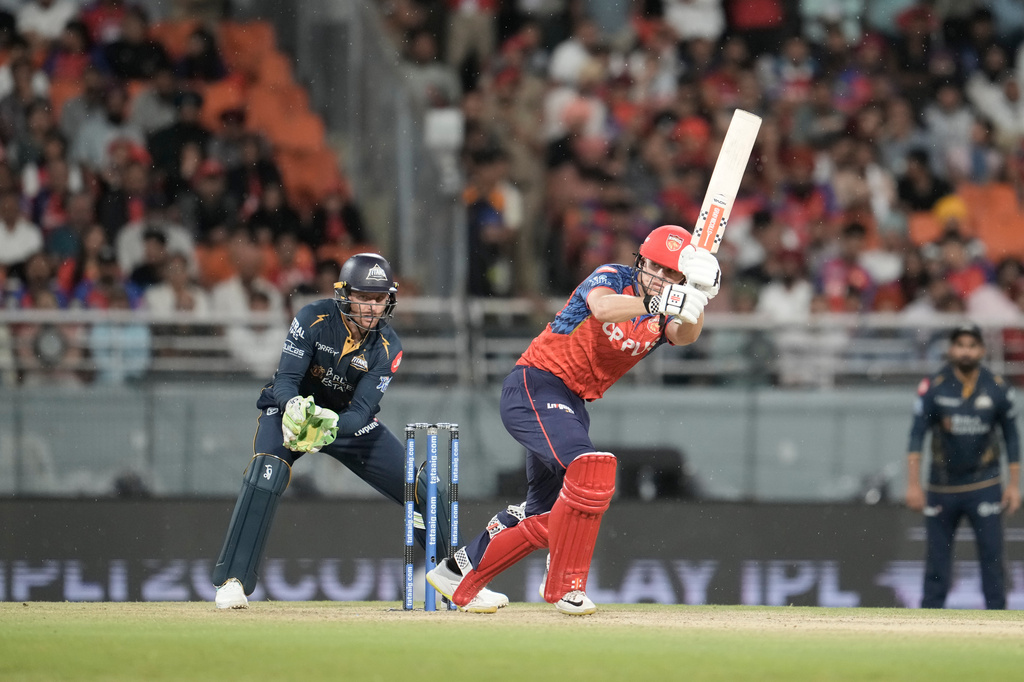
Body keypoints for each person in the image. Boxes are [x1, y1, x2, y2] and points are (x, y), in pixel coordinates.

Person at [426, 224, 717, 614]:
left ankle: (456, 572)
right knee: (588, 471)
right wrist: (667, 300)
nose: (660, 278)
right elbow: (602, 308)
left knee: (543, 512)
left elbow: (685, 335)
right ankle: (566, 586)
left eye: (671, 274)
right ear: (641, 261)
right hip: (536, 384)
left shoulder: (665, 311)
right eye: (655, 268)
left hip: (573, 403)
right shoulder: (613, 277)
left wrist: (696, 300)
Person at [211, 253, 508, 610]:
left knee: (424, 489)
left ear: (389, 300)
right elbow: (287, 379)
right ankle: (233, 582)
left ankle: (460, 583)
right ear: (344, 294)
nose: (370, 307)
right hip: (291, 411)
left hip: (343, 423)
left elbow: (362, 411)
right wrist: (294, 409)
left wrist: (327, 425)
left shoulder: (388, 347)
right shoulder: (312, 318)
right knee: (266, 473)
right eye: (363, 297)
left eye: (378, 299)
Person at [905, 323, 1021, 610]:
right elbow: (916, 435)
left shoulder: (997, 388)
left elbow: (1012, 438)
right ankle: (928, 623)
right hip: (942, 487)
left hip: (985, 485)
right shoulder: (934, 386)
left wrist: (1014, 486)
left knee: (992, 558)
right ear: (951, 349)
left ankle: (998, 625)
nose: (965, 351)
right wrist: (913, 484)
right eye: (960, 345)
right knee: (937, 561)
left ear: (981, 350)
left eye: (971, 345)